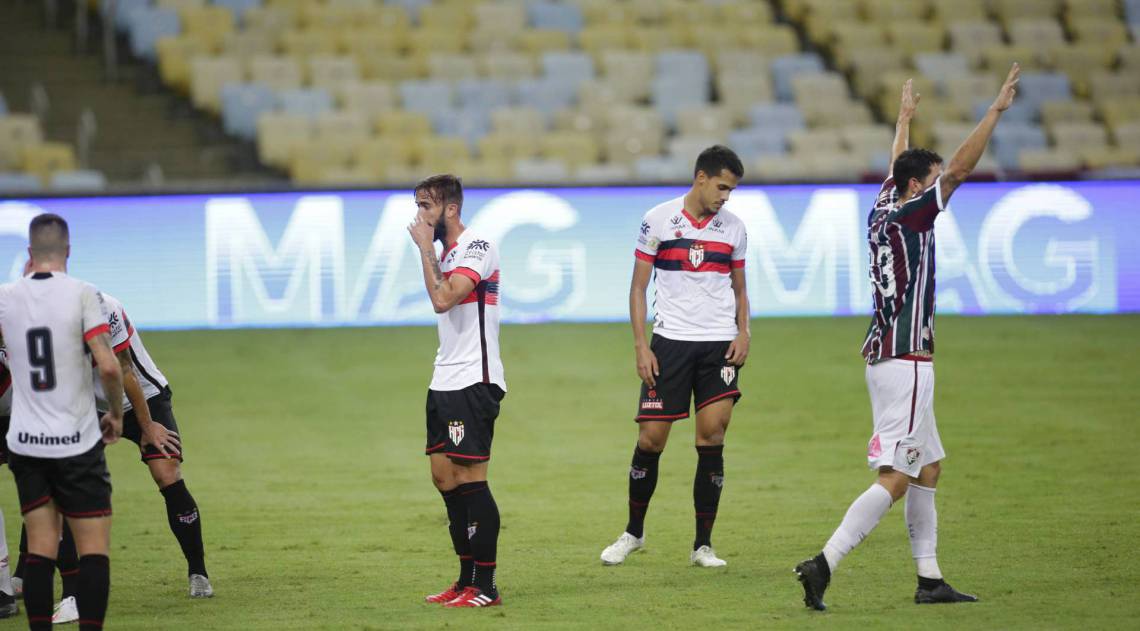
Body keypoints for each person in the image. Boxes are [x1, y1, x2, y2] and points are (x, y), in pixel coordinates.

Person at [794, 64, 1021, 611]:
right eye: (933, 180)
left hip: (883, 355)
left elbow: (902, 168)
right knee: (897, 474)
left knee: (928, 466)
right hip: (909, 358)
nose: (941, 187)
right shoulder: (914, 217)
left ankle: (929, 579)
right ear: (918, 189)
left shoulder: (881, 210)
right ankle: (823, 562)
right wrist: (994, 111)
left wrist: (902, 121)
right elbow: (962, 170)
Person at [600, 145, 750, 568]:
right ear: (700, 177)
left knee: (712, 437)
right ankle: (633, 533)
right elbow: (637, 287)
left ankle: (703, 545)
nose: (726, 196)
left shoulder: (735, 228)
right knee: (650, 439)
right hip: (670, 342)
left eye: (731, 190)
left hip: (719, 343)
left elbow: (740, 287)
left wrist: (744, 331)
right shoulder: (658, 219)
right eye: (722, 186)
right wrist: (640, 344)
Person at [0, 213, 124, 631]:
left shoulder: (6, 297)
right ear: (68, 251)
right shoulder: (84, 295)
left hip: (26, 444)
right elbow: (108, 366)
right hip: (77, 442)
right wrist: (116, 415)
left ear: (29, 254)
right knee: (93, 550)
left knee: (39, 550)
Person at [407, 174, 507, 608]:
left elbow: (443, 299)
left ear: (450, 209)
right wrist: (431, 249)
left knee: (471, 479)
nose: (419, 216)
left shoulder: (478, 247)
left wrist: (425, 247)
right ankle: (465, 581)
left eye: (426, 206)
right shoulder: (444, 252)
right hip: (443, 377)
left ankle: (486, 586)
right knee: (443, 478)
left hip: (474, 378)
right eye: (417, 206)